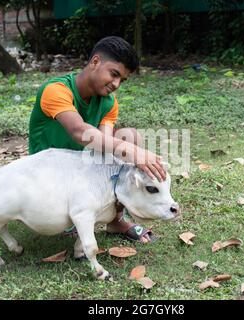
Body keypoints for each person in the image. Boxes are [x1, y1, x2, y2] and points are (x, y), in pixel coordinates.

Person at [28, 36, 166, 243]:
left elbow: (103, 144)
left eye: (122, 80)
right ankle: (67, 212)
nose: (116, 84)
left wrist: (128, 150)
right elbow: (79, 131)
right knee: (126, 145)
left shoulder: (108, 102)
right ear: (95, 62)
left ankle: (115, 219)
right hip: (49, 173)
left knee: (129, 136)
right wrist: (132, 151)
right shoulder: (56, 90)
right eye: (114, 74)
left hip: (81, 166)